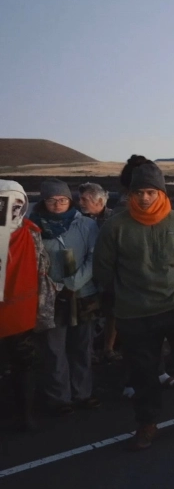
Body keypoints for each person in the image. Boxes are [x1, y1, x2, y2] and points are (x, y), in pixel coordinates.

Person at [93, 159, 174, 450]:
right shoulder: (115, 227)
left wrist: (173, 284)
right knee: (142, 371)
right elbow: (103, 270)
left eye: (151, 192)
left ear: (162, 193)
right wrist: (129, 294)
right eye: (139, 192)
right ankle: (147, 422)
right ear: (130, 194)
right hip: (136, 312)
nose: (145, 197)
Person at [28, 179, 102, 414]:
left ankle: (83, 393)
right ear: (43, 202)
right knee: (54, 349)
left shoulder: (87, 225)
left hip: (83, 294)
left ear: (69, 200)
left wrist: (72, 283)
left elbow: (94, 257)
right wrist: (55, 288)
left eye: (62, 200)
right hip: (51, 297)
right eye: (51, 200)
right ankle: (60, 398)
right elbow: (33, 263)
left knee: (81, 347)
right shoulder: (33, 228)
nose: (58, 204)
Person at [0, 180, 53, 431]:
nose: (10, 209)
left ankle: (25, 414)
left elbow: (42, 269)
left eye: (16, 203)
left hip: (21, 314)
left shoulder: (31, 232)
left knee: (24, 366)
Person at [78, 182, 121, 363]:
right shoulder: (77, 219)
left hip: (109, 274)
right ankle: (87, 352)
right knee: (87, 314)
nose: (80, 202)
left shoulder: (114, 220)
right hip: (85, 275)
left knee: (112, 312)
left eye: (84, 199)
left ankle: (108, 349)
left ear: (100, 201)